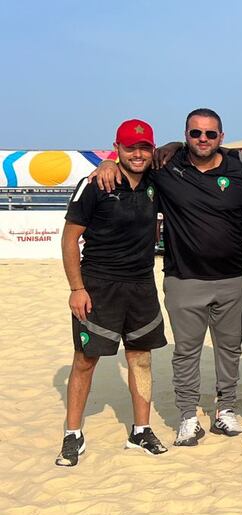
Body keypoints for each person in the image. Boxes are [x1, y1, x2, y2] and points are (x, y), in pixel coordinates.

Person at [94, 108, 242, 445]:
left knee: (230, 349)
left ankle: (225, 411)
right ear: (186, 135)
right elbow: (130, 164)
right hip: (184, 279)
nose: (203, 139)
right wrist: (107, 162)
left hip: (234, 278)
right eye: (195, 133)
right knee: (186, 351)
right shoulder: (166, 168)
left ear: (221, 138)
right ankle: (187, 415)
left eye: (210, 134)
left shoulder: (241, 169)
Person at [57, 119, 169, 466]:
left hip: (141, 285)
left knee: (141, 358)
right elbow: (69, 238)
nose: (138, 154)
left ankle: (141, 430)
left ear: (152, 150)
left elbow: (181, 150)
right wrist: (77, 288)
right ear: (116, 148)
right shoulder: (94, 184)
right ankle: (72, 433)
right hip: (99, 285)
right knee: (85, 360)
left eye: (144, 147)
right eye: (130, 147)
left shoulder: (155, 182)